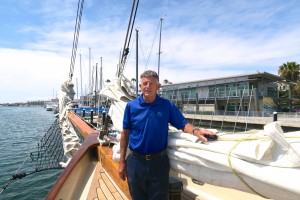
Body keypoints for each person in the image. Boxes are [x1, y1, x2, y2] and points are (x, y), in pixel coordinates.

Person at [118, 70, 216, 200]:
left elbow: (183, 124)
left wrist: (196, 131)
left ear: (158, 87)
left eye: (151, 84)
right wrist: (122, 162)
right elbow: (125, 134)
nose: (148, 86)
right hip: (136, 162)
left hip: (158, 163)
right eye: (145, 83)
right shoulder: (131, 106)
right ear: (140, 86)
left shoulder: (166, 106)